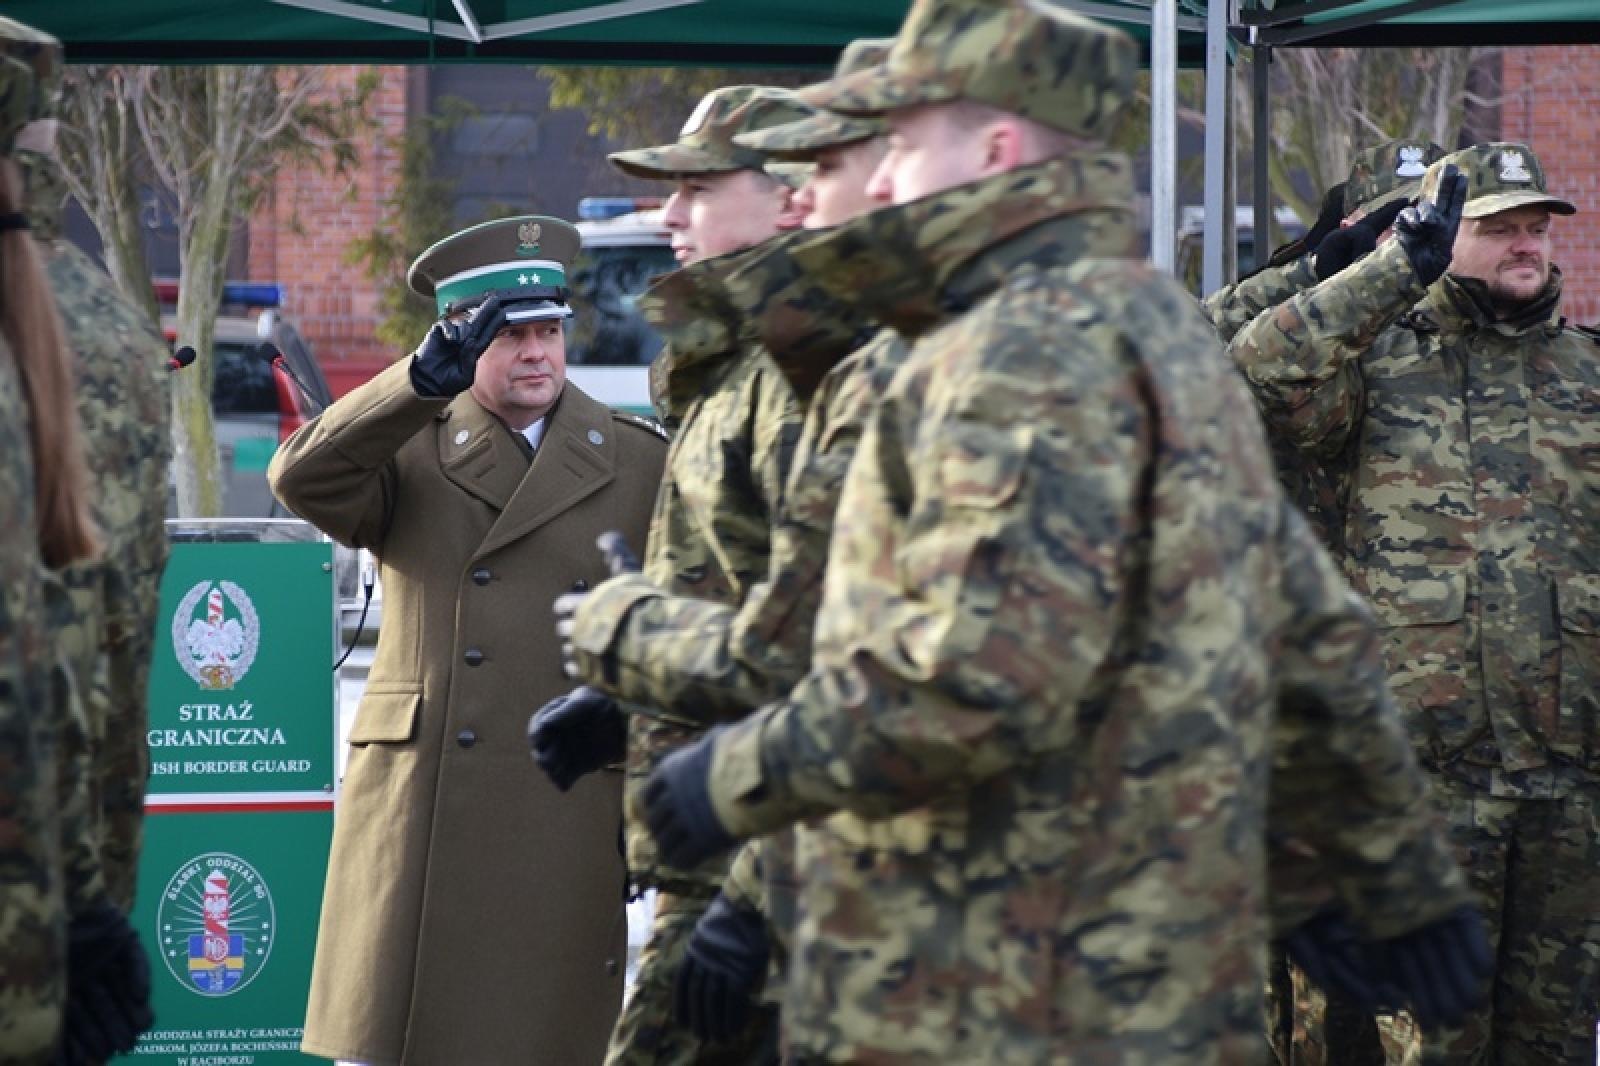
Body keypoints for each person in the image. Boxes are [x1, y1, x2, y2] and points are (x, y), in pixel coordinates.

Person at [630, 2, 1487, 1061]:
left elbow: (970, 677)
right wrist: (1382, 869)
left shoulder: (995, 353)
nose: (882, 180)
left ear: (994, 148)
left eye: (901, 144)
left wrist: (727, 782)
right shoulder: (1149, 324)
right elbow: (1302, 630)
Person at [535, 41, 903, 1050]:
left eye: (698, 187)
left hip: (773, 861)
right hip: (719, 844)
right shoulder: (734, 363)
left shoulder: (808, 377)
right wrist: (630, 694)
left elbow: (839, 659)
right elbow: (738, 591)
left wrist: (752, 895)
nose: (670, 216)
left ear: (786, 199)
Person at [1231, 142, 1600, 1065]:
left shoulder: (1588, 376)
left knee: (1553, 1043)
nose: (1525, 246)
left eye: (1535, 229)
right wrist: (1389, 270)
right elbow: (1254, 366)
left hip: (1569, 784)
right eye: (1496, 227)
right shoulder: (1378, 366)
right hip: (1427, 789)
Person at [268, 216, 666, 1066]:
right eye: (511, 334)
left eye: (549, 331)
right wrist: (412, 384)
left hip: (566, 800)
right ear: (460, 339)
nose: (536, 353)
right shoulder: (409, 447)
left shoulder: (635, 461)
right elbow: (301, 478)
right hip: (426, 809)